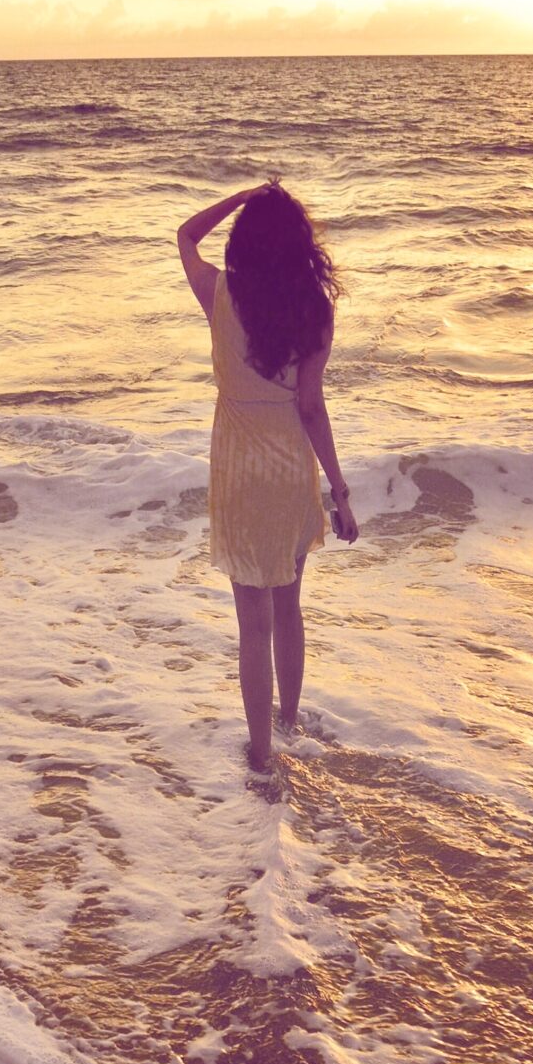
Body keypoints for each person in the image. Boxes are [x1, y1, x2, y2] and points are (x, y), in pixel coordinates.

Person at [177, 180, 356, 774]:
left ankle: (261, 757)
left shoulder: (221, 294)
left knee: (251, 624)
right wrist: (340, 490)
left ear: (246, 242)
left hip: (237, 467)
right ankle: (291, 723)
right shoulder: (315, 309)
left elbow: (185, 235)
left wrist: (240, 198)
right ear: (300, 245)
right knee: (290, 608)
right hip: (287, 468)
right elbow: (311, 406)